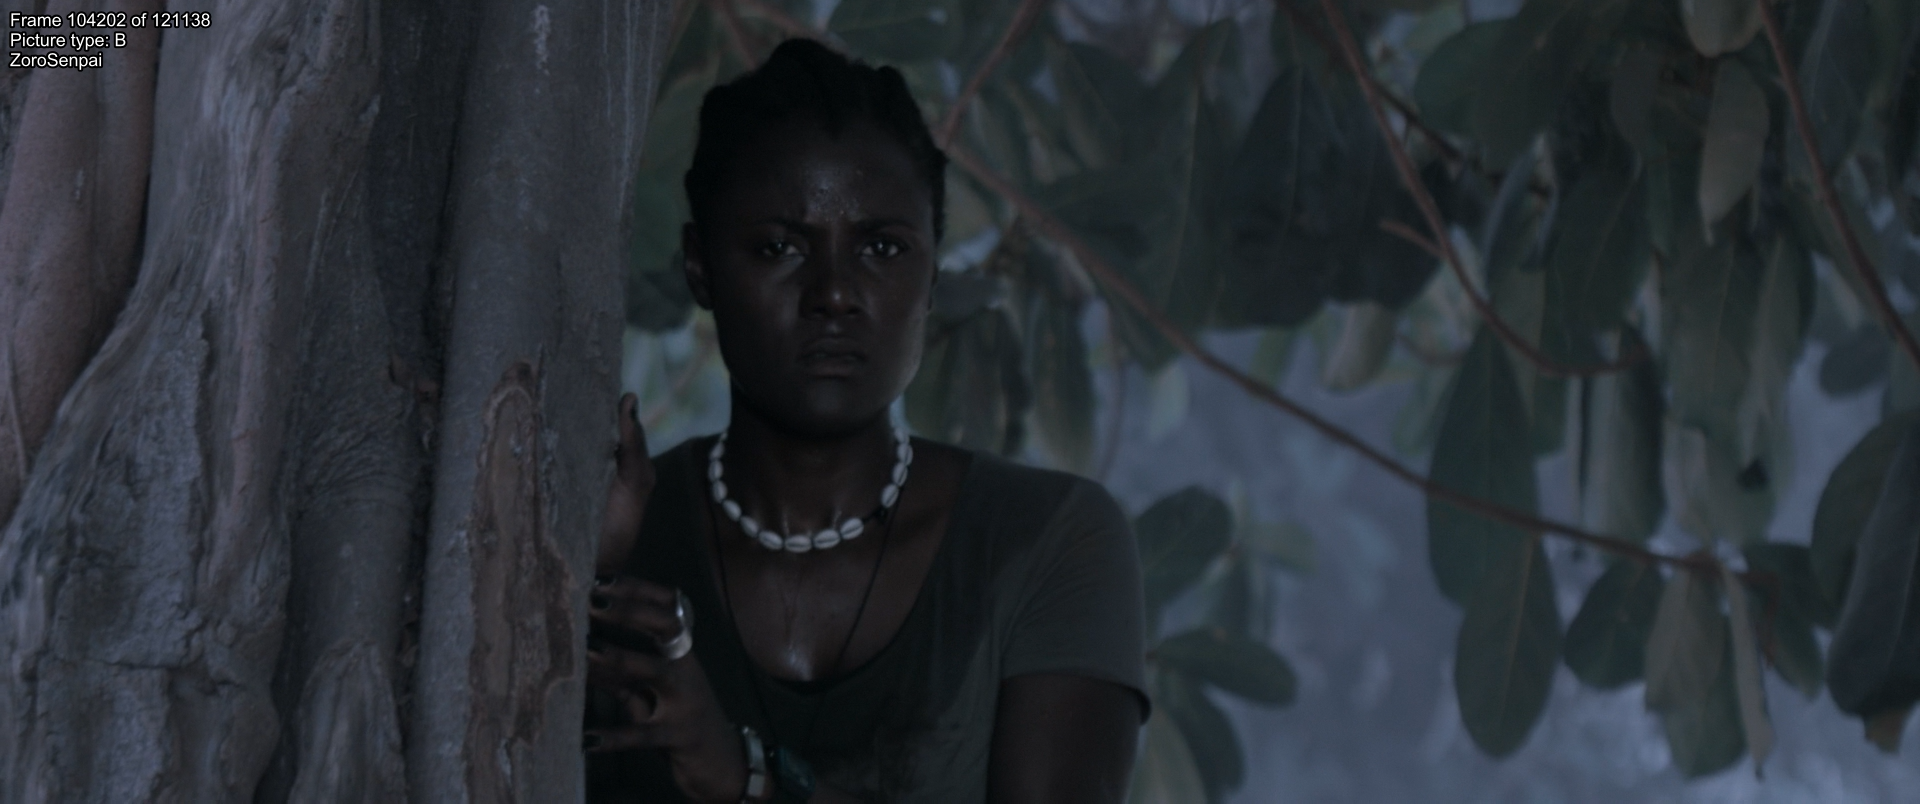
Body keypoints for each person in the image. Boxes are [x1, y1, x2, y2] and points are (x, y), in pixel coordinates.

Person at [583, 38, 1147, 803]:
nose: (835, 294)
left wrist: (744, 778)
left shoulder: (1045, 542)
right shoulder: (615, 538)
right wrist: (575, 583)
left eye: (882, 247)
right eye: (778, 247)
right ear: (700, 267)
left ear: (931, 274)